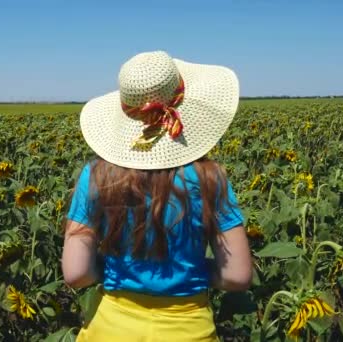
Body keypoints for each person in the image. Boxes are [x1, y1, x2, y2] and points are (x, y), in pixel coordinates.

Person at [61, 51, 253, 341]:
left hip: (112, 329)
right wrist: (192, 271)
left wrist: (118, 270)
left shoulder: (96, 176)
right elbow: (237, 275)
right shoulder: (210, 179)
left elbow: (76, 274)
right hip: (189, 329)